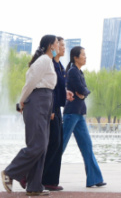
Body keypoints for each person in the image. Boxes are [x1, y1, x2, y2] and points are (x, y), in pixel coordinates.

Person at [3, 35, 59, 195]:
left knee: (42, 146)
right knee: (38, 145)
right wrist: (21, 102)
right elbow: (30, 83)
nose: (59, 46)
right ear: (50, 45)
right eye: (57, 43)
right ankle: (10, 172)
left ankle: (34, 187)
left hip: (44, 102)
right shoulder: (44, 60)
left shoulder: (48, 61)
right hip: (37, 101)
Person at [61, 45, 107, 188]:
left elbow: (84, 91)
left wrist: (83, 93)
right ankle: (42, 175)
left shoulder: (79, 72)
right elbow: (81, 89)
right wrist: (83, 92)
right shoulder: (73, 72)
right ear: (76, 57)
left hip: (79, 113)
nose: (85, 57)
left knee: (87, 146)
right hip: (71, 114)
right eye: (83, 55)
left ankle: (94, 179)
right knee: (59, 146)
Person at [39, 36, 72, 192]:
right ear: (53, 46)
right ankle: (35, 176)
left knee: (57, 144)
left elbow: (58, 87)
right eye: (60, 44)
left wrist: (66, 93)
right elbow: (48, 88)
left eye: (63, 45)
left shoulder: (60, 66)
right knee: (52, 143)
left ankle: (51, 181)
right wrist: (51, 109)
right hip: (51, 108)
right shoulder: (50, 63)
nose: (62, 47)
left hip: (58, 108)